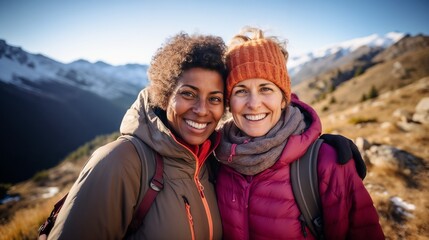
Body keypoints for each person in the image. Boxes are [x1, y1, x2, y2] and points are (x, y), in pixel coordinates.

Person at [46, 32, 227, 239]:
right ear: (165, 96)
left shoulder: (213, 163)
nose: (202, 110)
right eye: (188, 94)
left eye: (214, 98)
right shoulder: (119, 161)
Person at [214, 27, 385, 239]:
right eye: (241, 91)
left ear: (284, 97)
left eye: (266, 88)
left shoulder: (327, 162)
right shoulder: (216, 159)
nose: (254, 104)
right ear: (229, 101)